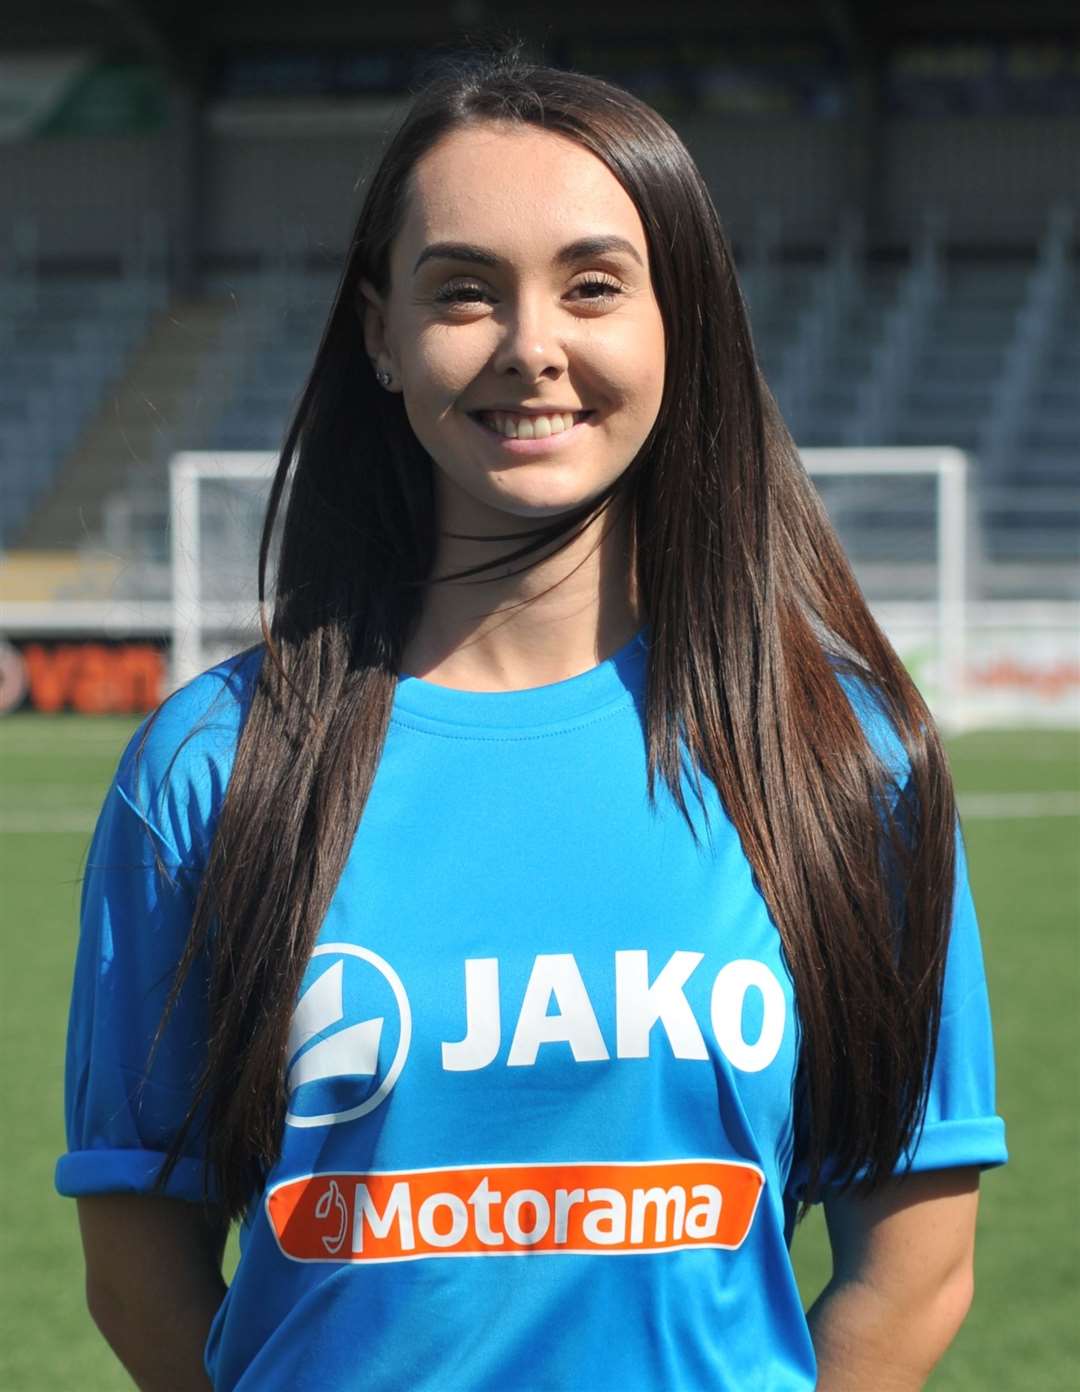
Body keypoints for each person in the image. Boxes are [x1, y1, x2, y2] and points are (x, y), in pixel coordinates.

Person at [57, 46, 1007, 1392]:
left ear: (681, 320)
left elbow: (914, 1263)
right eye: (464, 292)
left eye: (594, 285)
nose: (533, 346)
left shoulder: (843, 761)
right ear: (380, 332)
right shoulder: (213, 768)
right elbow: (138, 1269)